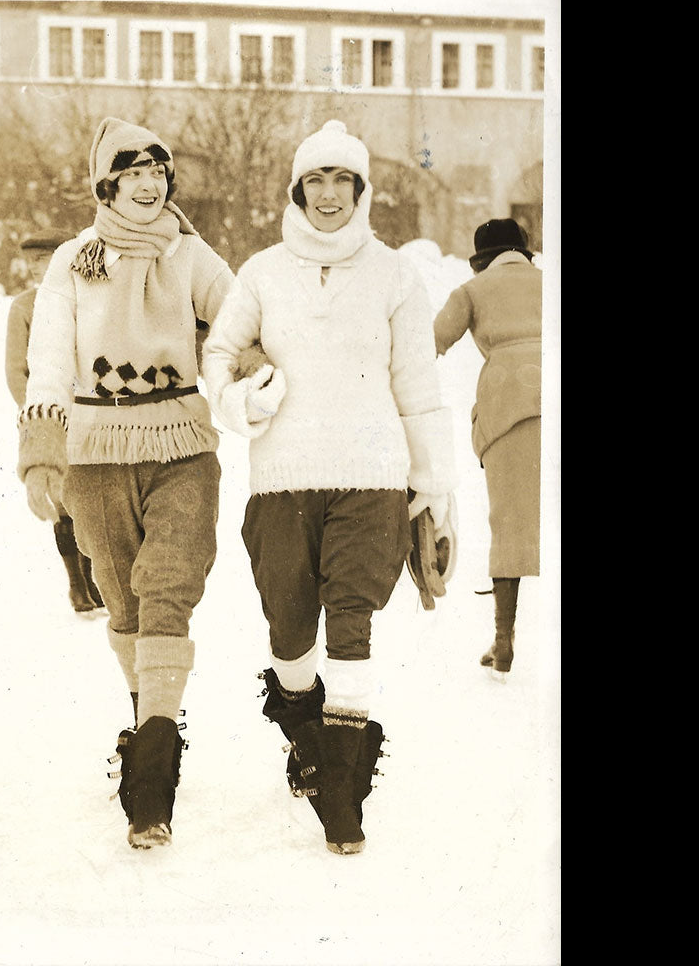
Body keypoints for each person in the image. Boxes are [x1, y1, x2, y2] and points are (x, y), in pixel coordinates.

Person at [202, 120, 457, 855]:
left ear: (362, 190)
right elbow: (217, 355)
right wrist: (243, 401)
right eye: (315, 180)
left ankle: (341, 796)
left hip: (372, 478)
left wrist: (433, 487)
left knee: (351, 620)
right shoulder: (260, 273)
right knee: (289, 628)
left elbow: (419, 388)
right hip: (282, 481)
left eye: (342, 180)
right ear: (296, 190)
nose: (328, 194)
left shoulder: (396, 276)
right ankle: (308, 737)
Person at [16, 117, 234, 849]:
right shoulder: (74, 262)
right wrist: (42, 452)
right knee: (123, 598)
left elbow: (240, 323)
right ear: (106, 186)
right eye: (132, 173)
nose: (148, 185)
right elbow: (49, 358)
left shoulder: (191, 254)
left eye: (157, 172)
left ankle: (152, 782)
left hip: (181, 444)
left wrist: (259, 369)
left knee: (168, 587)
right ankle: (150, 720)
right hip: (96, 452)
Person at [433, 218, 542, 674]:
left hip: (507, 405)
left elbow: (431, 342)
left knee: (510, 522)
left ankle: (503, 640)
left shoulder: (472, 291)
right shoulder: (548, 283)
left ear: (480, 262)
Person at [5, 233, 105, 615]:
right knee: (63, 503)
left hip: (94, 416)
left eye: (43, 258)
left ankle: (95, 579)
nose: (35, 267)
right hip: (54, 420)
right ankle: (77, 584)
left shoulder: (88, 300)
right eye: (31, 261)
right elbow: (16, 371)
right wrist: (43, 417)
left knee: (92, 499)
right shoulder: (24, 307)